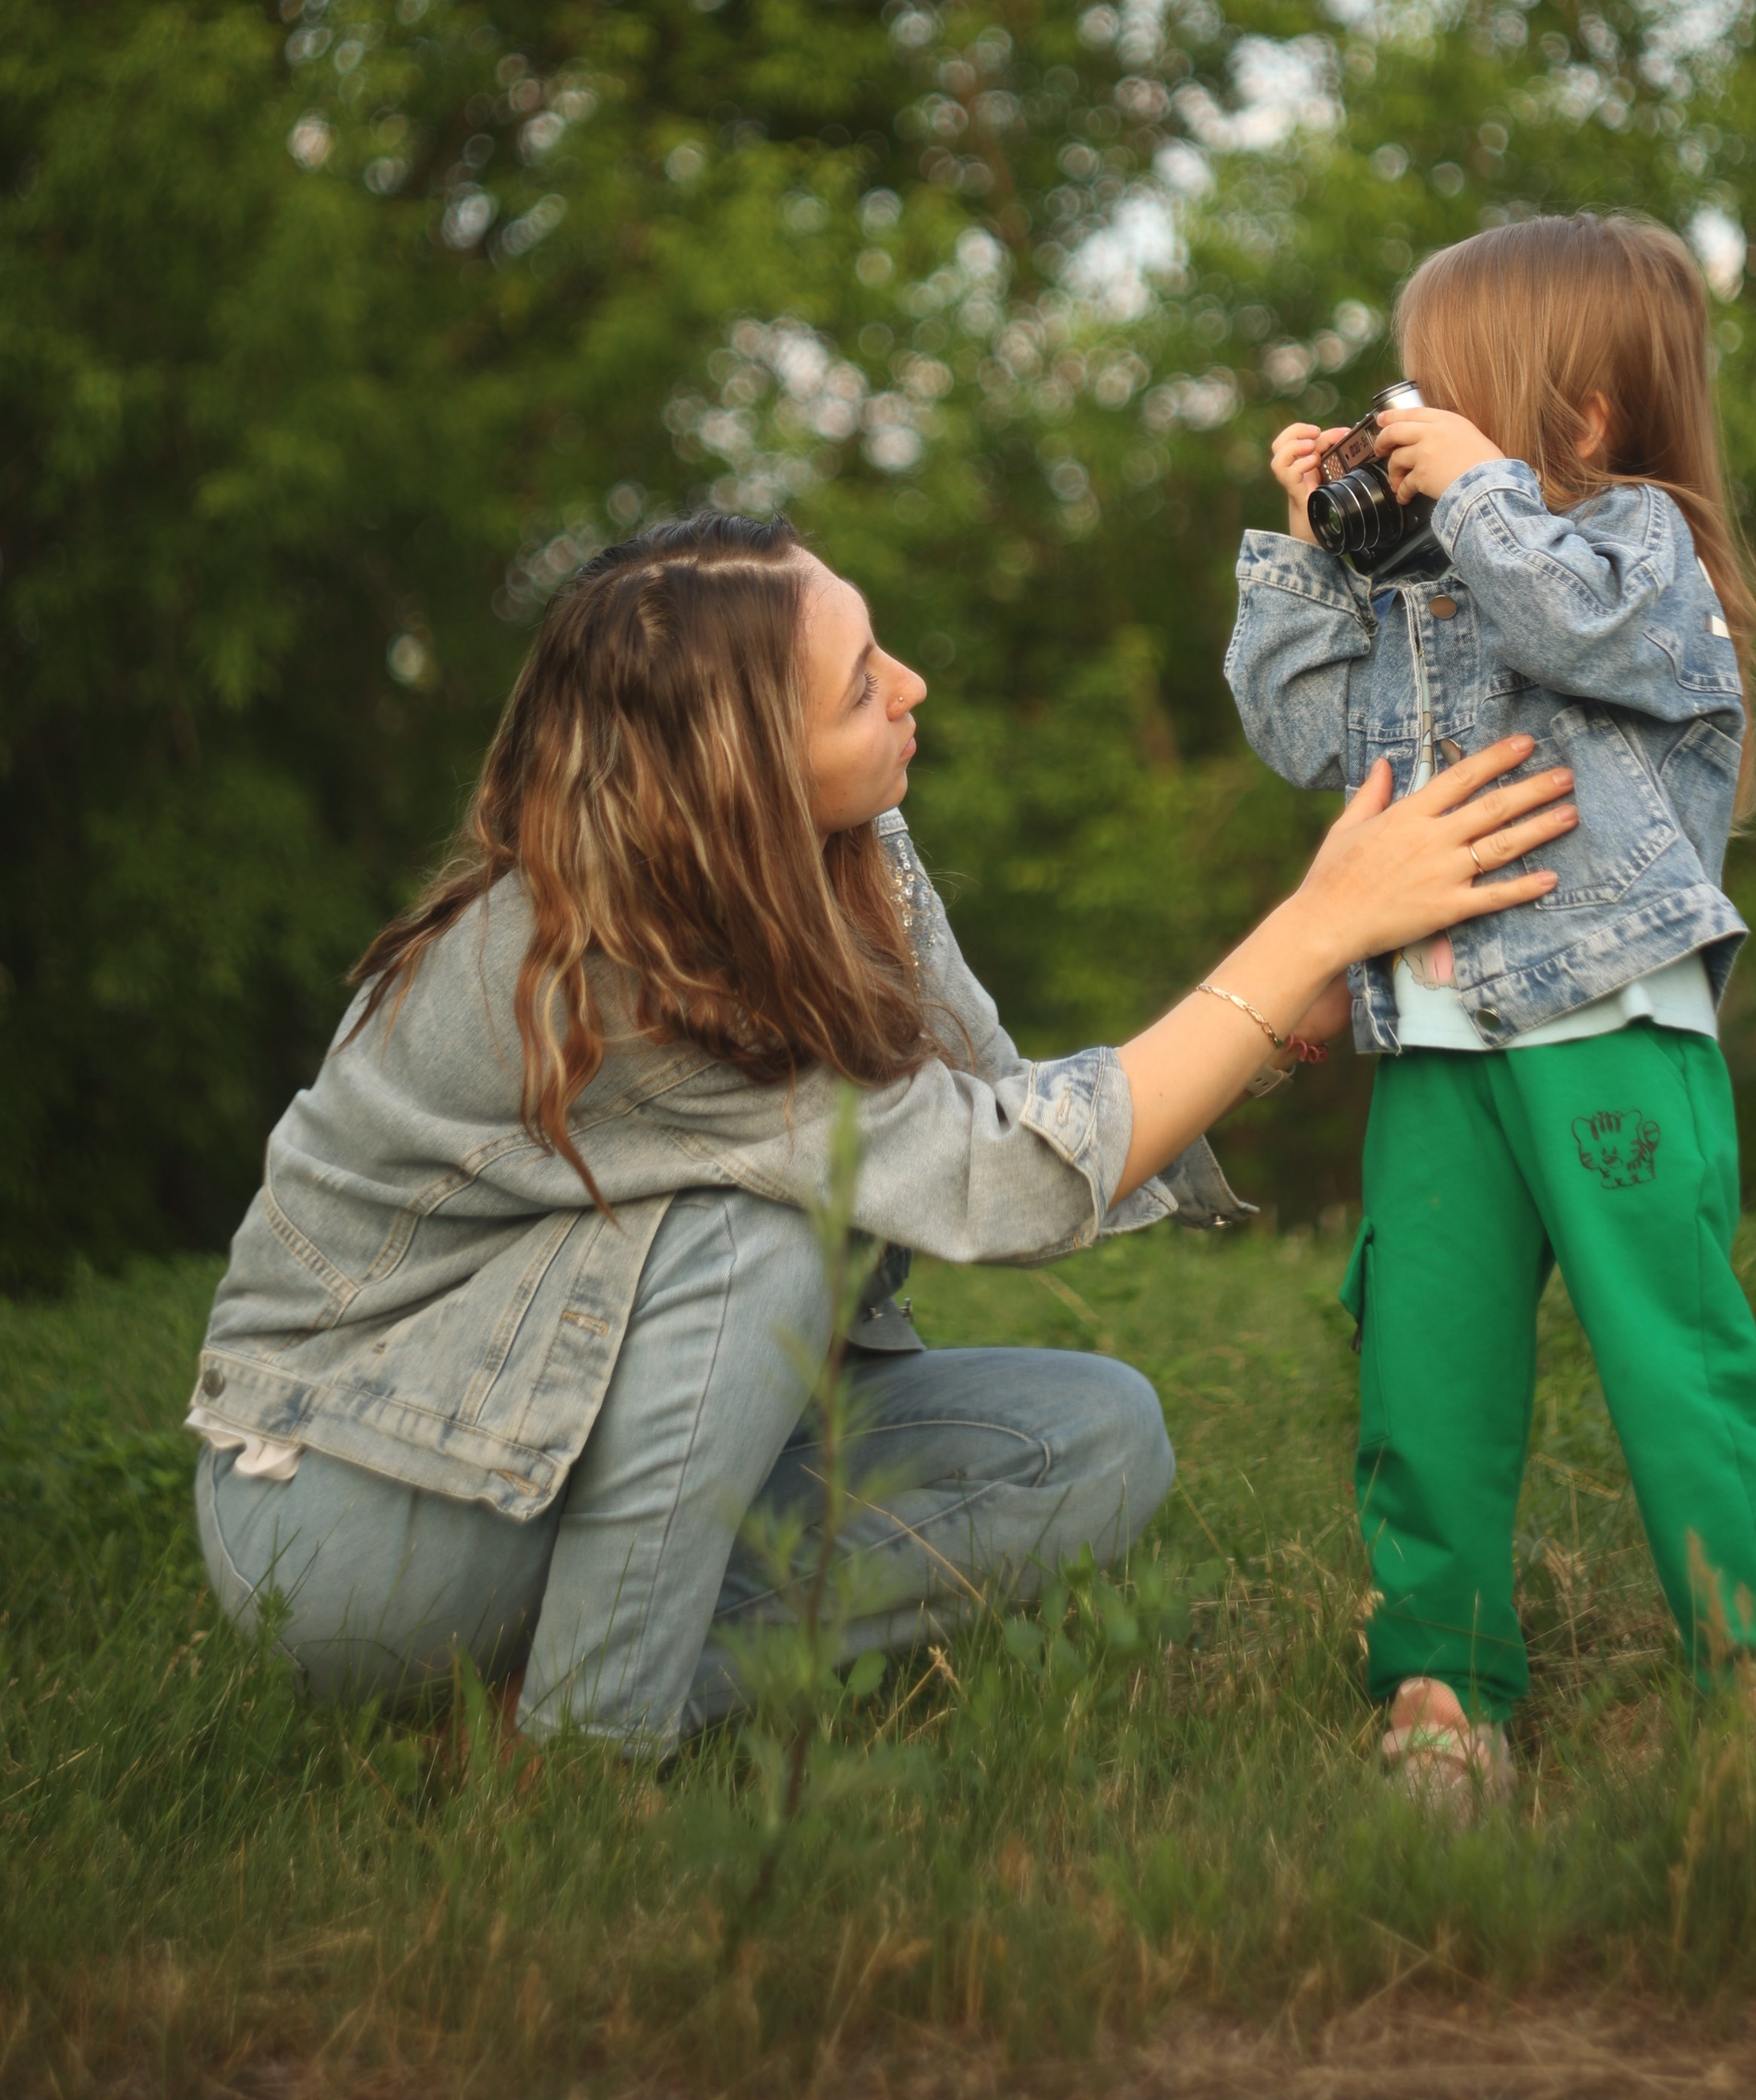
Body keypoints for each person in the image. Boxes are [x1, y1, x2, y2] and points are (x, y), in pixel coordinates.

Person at [189, 510, 1576, 1750]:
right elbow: (1009, 1183)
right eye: (861, 689)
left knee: (1097, 1439)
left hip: (552, 1453)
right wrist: (1311, 926)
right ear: (741, 774)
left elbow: (999, 1116)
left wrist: (1285, 1013)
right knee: (758, 1236)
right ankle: (585, 1759)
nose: (910, 689)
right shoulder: (612, 974)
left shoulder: (840, 853)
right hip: (355, 1519)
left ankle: (546, 1699)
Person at [1229, 212, 1756, 1811]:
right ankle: (1439, 1676)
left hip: (1605, 1031)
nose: (1408, 418)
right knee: (1421, 1372)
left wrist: (1473, 491)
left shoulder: (1644, 554)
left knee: (1667, 1358)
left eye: (1445, 394)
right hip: (1435, 1050)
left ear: (1574, 418)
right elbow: (1303, 742)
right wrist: (1310, 550)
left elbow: (1565, 619)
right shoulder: (1426, 591)